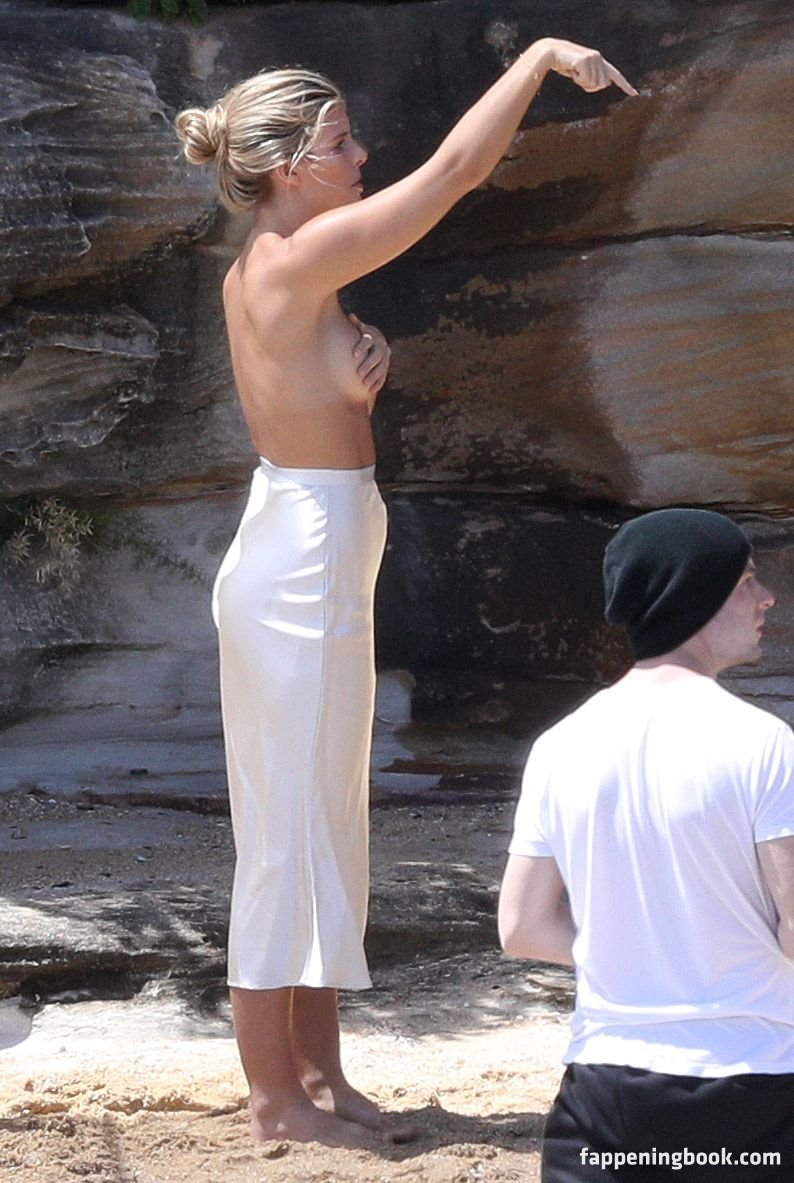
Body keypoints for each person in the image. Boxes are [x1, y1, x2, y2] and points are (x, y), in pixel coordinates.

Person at [174, 38, 637, 1150]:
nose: (362, 154)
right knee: (286, 832)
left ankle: (319, 1071)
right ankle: (275, 1099)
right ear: (288, 166)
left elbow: (311, 410)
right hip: (298, 563)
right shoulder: (296, 256)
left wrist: (355, 391)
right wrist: (536, 61)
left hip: (315, 543)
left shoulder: (284, 262)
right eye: (340, 143)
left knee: (327, 817)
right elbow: (455, 175)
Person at [499, 508, 794, 1182]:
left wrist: (638, 951)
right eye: (746, 581)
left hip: (603, 1096)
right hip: (752, 1086)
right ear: (695, 595)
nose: (767, 598)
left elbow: (521, 927)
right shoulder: (764, 743)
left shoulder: (560, 745)